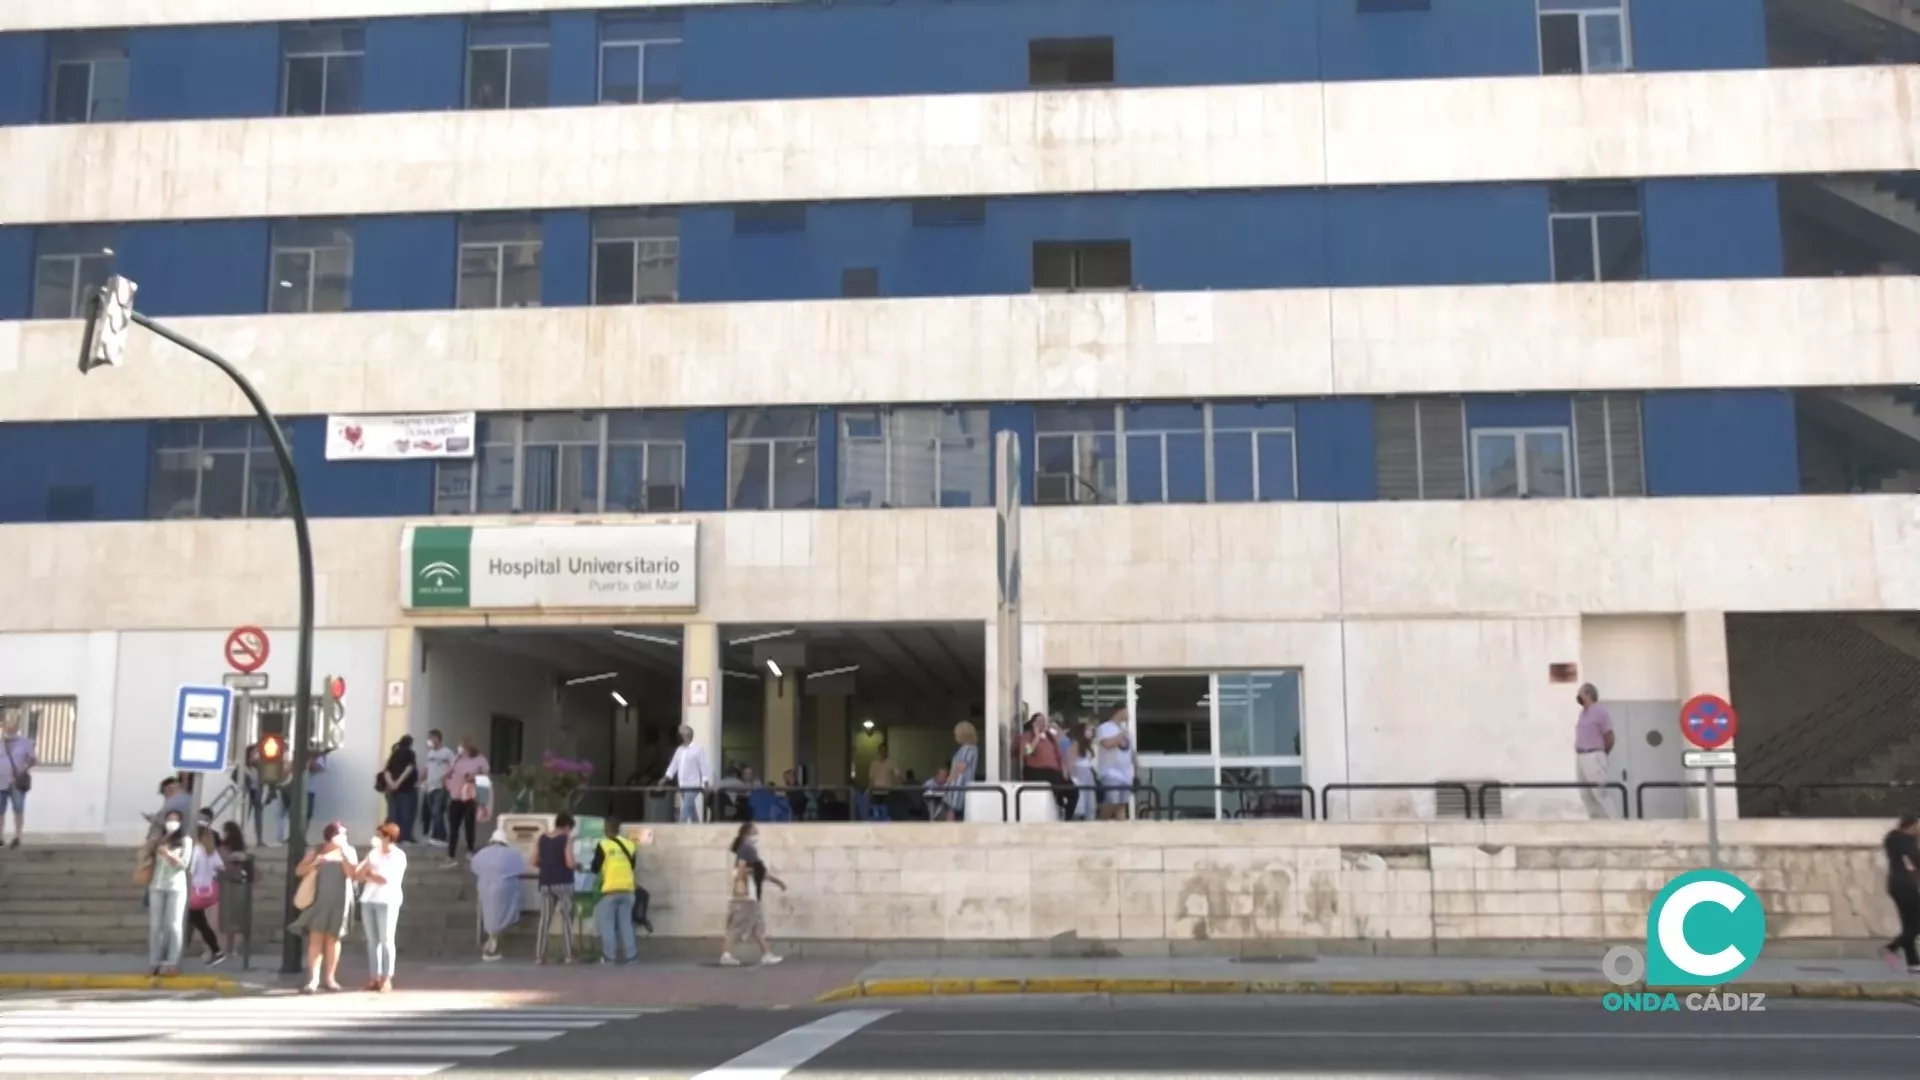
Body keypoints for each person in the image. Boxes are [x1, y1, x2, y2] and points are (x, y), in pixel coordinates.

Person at [289, 821, 357, 994]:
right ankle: (313, 979)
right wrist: (315, 863)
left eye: (345, 834)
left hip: (340, 901)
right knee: (316, 939)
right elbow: (299, 871)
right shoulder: (317, 849)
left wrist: (343, 851)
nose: (344, 837)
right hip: (319, 900)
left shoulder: (349, 851)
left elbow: (351, 874)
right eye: (341, 834)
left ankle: (330, 978)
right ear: (331, 835)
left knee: (333, 939)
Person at [719, 823, 784, 966]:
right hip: (745, 896)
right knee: (737, 925)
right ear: (746, 834)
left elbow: (759, 872)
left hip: (749, 896)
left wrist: (778, 882)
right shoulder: (747, 849)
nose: (756, 836)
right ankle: (726, 954)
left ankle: (766, 953)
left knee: (756, 926)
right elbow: (742, 868)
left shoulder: (745, 850)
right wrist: (742, 888)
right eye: (754, 832)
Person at [355, 823, 408, 992]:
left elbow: (384, 879)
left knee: (386, 940)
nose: (377, 839)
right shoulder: (373, 853)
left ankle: (387, 977)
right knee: (372, 941)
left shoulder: (398, 856)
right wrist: (368, 870)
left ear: (388, 838)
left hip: (387, 900)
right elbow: (358, 874)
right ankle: (374, 977)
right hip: (369, 899)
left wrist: (369, 874)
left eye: (380, 836)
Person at [142, 809, 194, 976]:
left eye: (176, 819)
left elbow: (184, 864)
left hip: (176, 886)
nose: (172, 822)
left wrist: (168, 853)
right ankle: (154, 962)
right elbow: (146, 856)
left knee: (174, 925)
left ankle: (172, 962)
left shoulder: (185, 840)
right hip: (156, 885)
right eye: (169, 819)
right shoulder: (159, 840)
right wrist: (153, 843)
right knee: (156, 926)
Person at [592, 817, 641, 964]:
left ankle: (609, 957)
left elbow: (595, 868)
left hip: (610, 890)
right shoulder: (630, 845)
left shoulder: (603, 845)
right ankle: (631, 957)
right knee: (626, 924)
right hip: (628, 890)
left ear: (606, 829)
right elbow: (632, 866)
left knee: (608, 926)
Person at [470, 833, 526, 961]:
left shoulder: (482, 854)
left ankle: (491, 941)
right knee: (503, 915)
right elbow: (520, 868)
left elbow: (474, 867)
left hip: (485, 888)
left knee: (489, 914)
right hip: (505, 889)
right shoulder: (511, 854)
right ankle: (492, 945)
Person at [534, 812, 579, 964]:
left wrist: (547, 866)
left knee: (544, 920)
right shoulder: (566, 838)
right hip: (563, 882)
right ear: (567, 826)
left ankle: (540, 956)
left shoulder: (542, 838)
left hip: (545, 881)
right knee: (566, 919)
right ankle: (568, 955)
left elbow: (534, 859)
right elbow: (569, 862)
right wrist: (577, 865)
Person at [1573, 683, 1618, 820]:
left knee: (1599, 793)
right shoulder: (1583, 714)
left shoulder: (1600, 712)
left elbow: (1610, 736)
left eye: (1580, 693)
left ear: (1588, 695)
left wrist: (1602, 754)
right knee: (1585, 794)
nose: (1578, 696)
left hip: (1594, 755)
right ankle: (1595, 823)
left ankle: (1615, 823)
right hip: (1581, 756)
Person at [443, 737, 489, 867]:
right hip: (455, 796)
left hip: (470, 797)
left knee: (469, 825)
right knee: (453, 827)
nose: (460, 748)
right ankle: (451, 855)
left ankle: (470, 850)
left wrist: (474, 777)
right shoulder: (456, 759)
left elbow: (485, 776)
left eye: (463, 746)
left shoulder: (480, 759)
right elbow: (448, 774)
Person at [1882, 814, 1920, 974]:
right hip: (1906, 885)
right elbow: (1916, 860)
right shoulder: (1906, 840)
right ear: (1910, 826)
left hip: (1895, 884)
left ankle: (1913, 962)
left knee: (1908, 924)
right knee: (1916, 923)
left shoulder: (1892, 838)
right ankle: (1891, 948)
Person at [185, 821, 226, 964]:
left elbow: (190, 871)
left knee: (196, 922)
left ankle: (216, 951)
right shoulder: (210, 850)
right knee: (201, 923)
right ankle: (217, 951)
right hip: (207, 892)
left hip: (193, 892)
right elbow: (221, 867)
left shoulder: (195, 850)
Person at [215, 822, 254, 964]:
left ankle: (227, 949)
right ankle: (234, 949)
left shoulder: (223, 848)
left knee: (227, 919)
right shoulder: (242, 849)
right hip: (241, 887)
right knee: (237, 918)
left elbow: (220, 865)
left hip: (226, 886)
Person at [1020, 712, 1071, 819]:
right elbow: (1027, 752)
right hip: (1036, 770)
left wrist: (1064, 770)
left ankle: (1067, 817)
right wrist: (1037, 736)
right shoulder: (1027, 736)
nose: (1042, 723)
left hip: (1054, 770)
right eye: (1039, 721)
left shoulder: (1050, 737)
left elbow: (1059, 755)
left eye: (1044, 721)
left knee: (1073, 791)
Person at [0, 711, 36, 849]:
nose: (10, 727)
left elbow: (33, 759)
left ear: (17, 727)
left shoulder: (24, 743)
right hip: (0, 782)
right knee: (0, 811)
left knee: (18, 810)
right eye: (8, 724)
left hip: (17, 782)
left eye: (13, 724)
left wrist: (24, 768)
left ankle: (17, 836)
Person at [1095, 706, 1135, 821]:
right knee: (1111, 802)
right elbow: (1107, 744)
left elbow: (1130, 752)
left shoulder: (1125, 731)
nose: (1129, 715)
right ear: (1120, 711)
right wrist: (1120, 735)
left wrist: (1135, 769)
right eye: (1127, 711)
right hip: (1111, 773)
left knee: (1122, 804)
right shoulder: (1105, 728)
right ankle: (1101, 823)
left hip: (1126, 774)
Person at [664, 725, 710, 824]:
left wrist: (705, 781)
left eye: (681, 733)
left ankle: (681, 826)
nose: (678, 735)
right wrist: (666, 777)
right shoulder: (679, 750)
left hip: (693, 785)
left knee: (686, 808)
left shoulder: (697, 749)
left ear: (686, 735)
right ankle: (697, 826)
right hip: (682, 785)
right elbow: (673, 765)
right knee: (691, 807)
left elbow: (703, 765)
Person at [936, 722, 980, 822]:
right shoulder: (972, 748)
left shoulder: (967, 748)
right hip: (960, 785)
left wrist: (949, 779)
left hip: (958, 785)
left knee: (952, 811)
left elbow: (961, 766)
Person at [379, 736, 420, 844]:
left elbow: (386, 770)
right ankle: (404, 837)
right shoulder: (410, 753)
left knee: (393, 814)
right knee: (406, 813)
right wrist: (398, 782)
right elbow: (409, 768)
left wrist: (392, 783)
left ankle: (392, 837)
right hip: (406, 788)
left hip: (393, 790)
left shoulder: (394, 754)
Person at [421, 730, 457, 846]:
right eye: (429, 738)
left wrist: (447, 778)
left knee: (437, 811)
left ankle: (441, 837)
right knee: (434, 813)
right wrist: (421, 780)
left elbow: (455, 767)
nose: (430, 741)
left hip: (441, 787)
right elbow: (426, 768)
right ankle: (437, 836)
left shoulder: (447, 753)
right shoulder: (430, 753)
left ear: (438, 739)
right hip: (430, 786)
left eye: (432, 738)